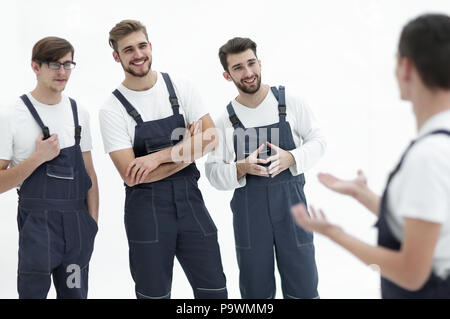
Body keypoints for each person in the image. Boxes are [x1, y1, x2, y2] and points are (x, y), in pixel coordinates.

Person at [292, 13, 450, 299]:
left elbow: (410, 274)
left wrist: (334, 234)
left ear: (406, 67)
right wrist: (361, 194)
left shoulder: (428, 157)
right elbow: (433, 228)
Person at [99, 19, 227, 299]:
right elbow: (131, 175)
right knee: (153, 294)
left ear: (151, 46)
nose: (138, 54)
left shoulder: (181, 87)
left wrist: (156, 158)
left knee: (215, 290)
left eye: (142, 45)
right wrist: (188, 149)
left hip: (192, 205)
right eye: (128, 49)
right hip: (146, 213)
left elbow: (212, 138)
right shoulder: (111, 109)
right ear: (116, 56)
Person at [205, 37, 326, 299]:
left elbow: (319, 140)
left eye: (251, 63)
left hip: (293, 210)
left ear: (260, 63)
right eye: (238, 68)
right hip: (251, 216)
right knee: (255, 291)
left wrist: (291, 158)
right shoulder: (224, 120)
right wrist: (241, 167)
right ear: (227, 76)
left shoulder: (290, 101)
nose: (248, 73)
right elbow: (212, 172)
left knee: (304, 286)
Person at [0, 37, 99, 299]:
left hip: (78, 229)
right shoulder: (12, 115)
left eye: (68, 64)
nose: (63, 72)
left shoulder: (80, 113)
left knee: (75, 295)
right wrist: (38, 158)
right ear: (35, 67)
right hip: (37, 228)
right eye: (55, 65)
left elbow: (89, 173)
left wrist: (92, 225)